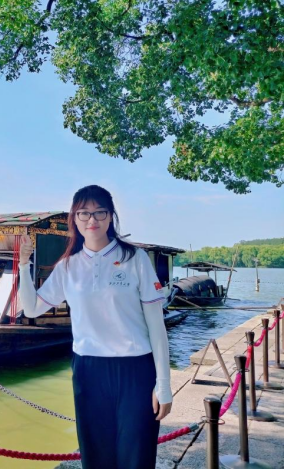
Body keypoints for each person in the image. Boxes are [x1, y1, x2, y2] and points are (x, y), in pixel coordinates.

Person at [18, 185, 172, 469]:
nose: (92, 219)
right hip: (88, 370)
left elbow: (156, 324)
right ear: (74, 219)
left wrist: (163, 384)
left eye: (100, 212)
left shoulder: (134, 258)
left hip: (136, 369)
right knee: (95, 457)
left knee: (137, 455)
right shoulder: (68, 266)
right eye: (84, 213)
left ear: (110, 216)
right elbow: (31, 309)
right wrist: (23, 265)